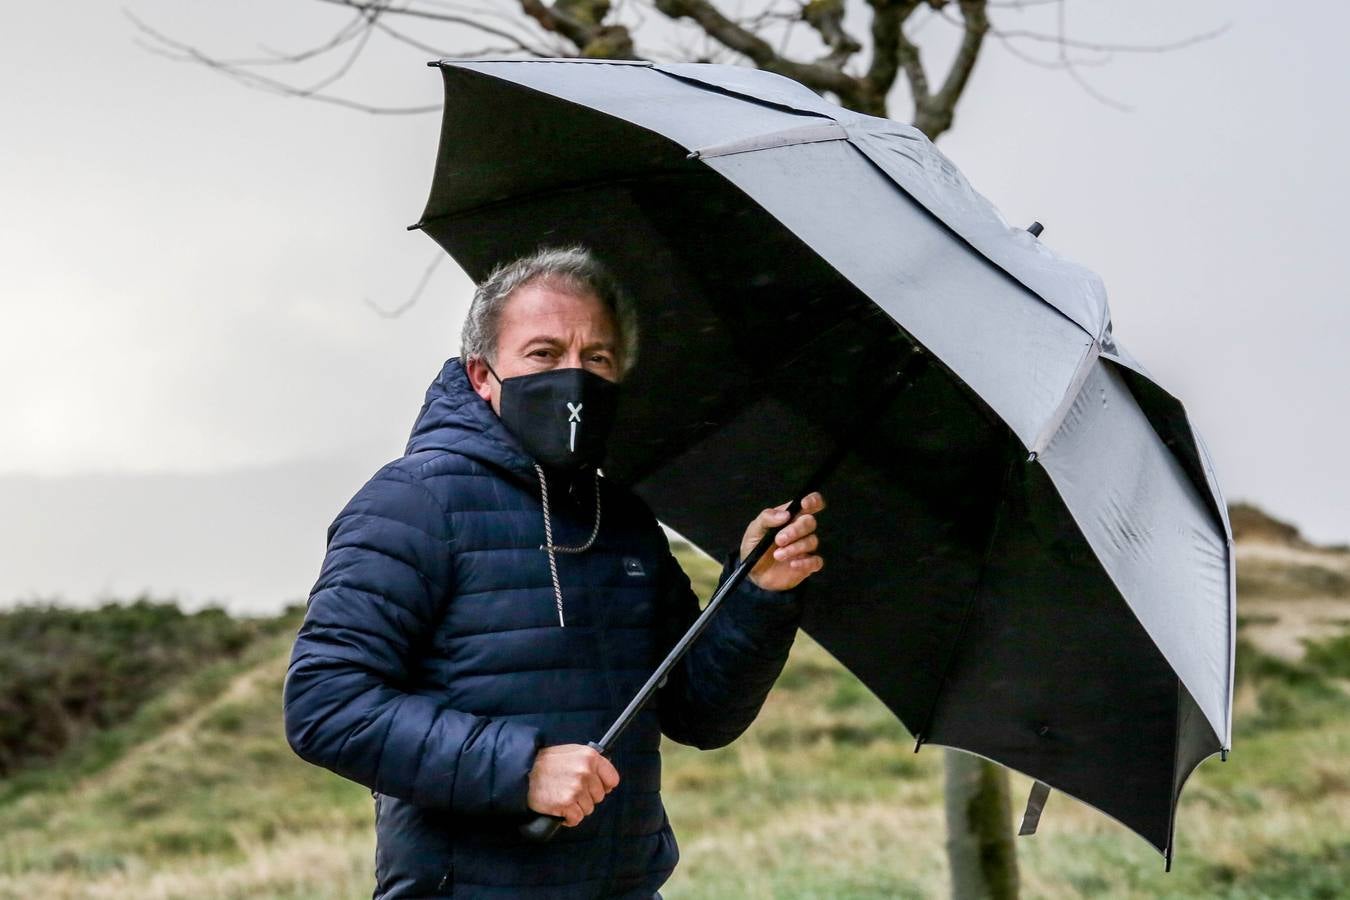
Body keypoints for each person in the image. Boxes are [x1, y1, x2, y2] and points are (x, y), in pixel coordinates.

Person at [282, 244, 826, 899]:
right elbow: (325, 706)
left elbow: (700, 714)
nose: (573, 378)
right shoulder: (414, 502)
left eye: (595, 358)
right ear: (482, 375)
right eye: (543, 354)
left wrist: (756, 592)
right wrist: (521, 770)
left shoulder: (622, 517)